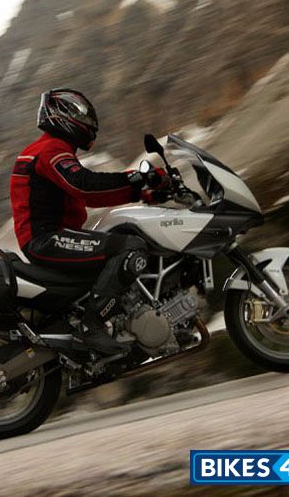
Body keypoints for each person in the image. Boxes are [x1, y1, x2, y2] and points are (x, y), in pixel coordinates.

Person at [10, 88, 170, 354]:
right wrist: (138, 179)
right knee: (130, 247)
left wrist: (143, 194)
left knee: (118, 242)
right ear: (61, 116)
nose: (88, 124)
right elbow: (84, 185)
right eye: (81, 117)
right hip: (47, 239)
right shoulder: (50, 149)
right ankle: (91, 325)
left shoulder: (49, 149)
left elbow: (88, 196)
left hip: (48, 237)